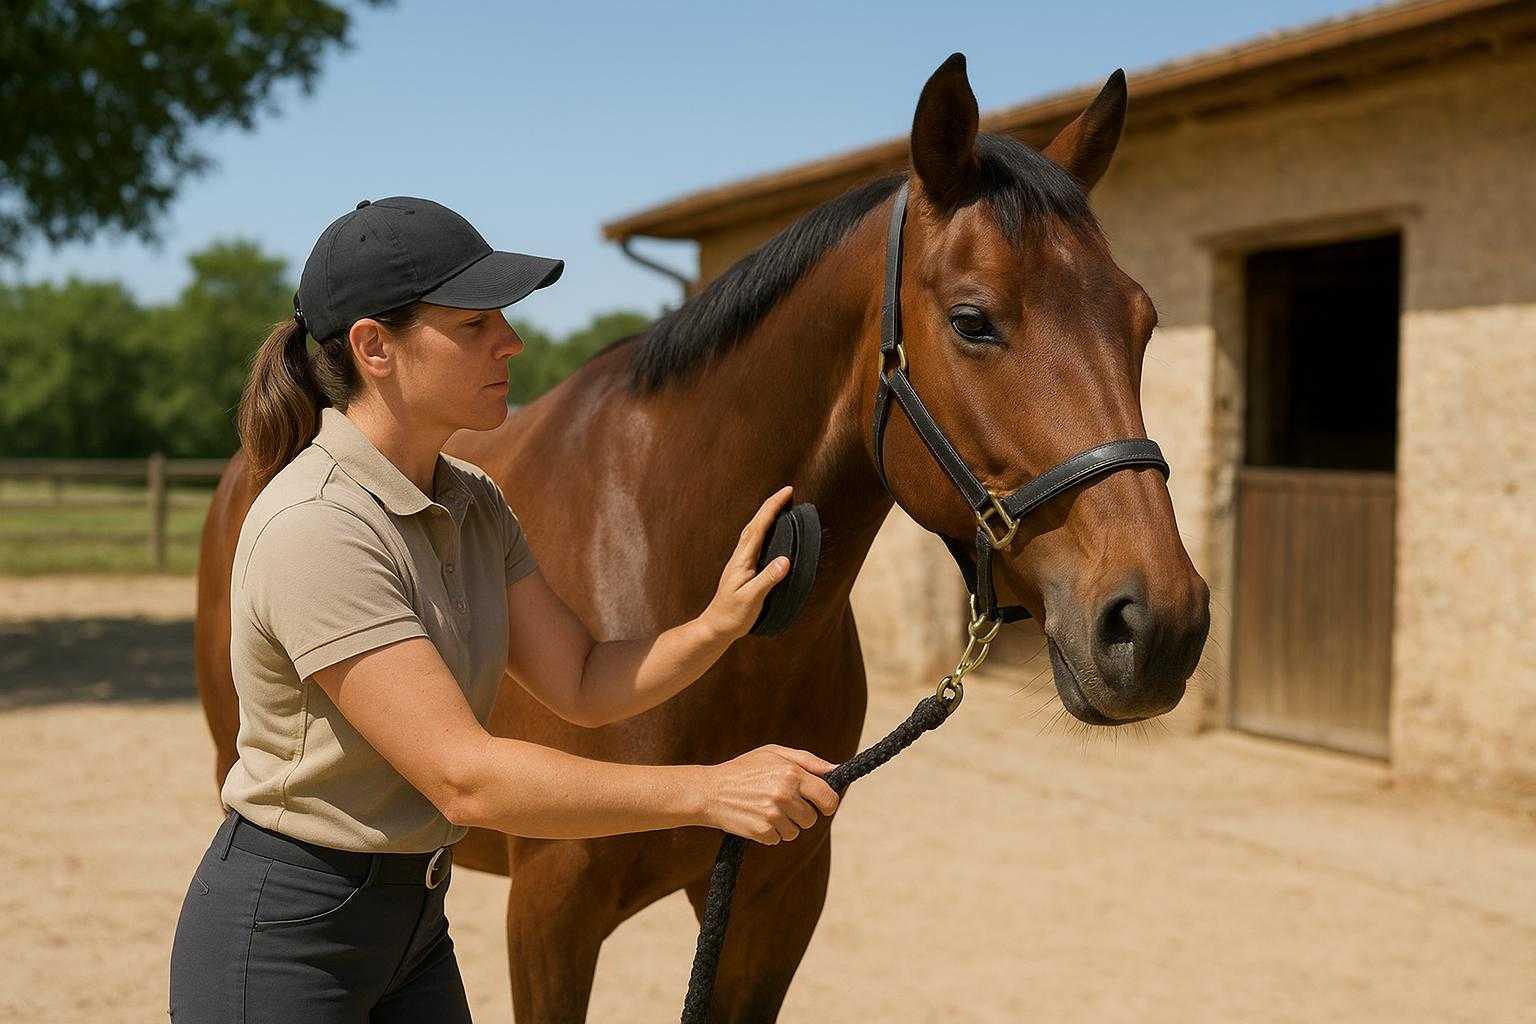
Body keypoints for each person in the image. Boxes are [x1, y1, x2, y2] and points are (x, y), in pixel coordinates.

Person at [167, 196, 841, 1022]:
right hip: (289, 934)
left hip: (413, 927)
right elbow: (467, 780)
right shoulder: (319, 525)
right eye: (476, 323)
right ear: (375, 347)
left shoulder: (472, 501)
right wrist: (709, 792)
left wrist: (714, 625)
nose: (511, 343)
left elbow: (586, 681)